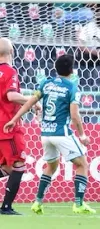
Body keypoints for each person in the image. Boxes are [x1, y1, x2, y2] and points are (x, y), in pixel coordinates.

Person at [3, 54, 96, 215]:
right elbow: (74, 116)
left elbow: (30, 102)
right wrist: (82, 135)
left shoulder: (45, 83)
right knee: (82, 165)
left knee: (51, 166)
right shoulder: (71, 87)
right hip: (62, 132)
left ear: (55, 68)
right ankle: (79, 204)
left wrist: (14, 119)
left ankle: (38, 203)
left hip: (45, 134)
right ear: (72, 71)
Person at [0, 38, 41, 215]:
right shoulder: (10, 71)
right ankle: (6, 207)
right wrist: (32, 100)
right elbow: (11, 96)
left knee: (7, 167)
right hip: (8, 126)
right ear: (12, 51)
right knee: (18, 164)